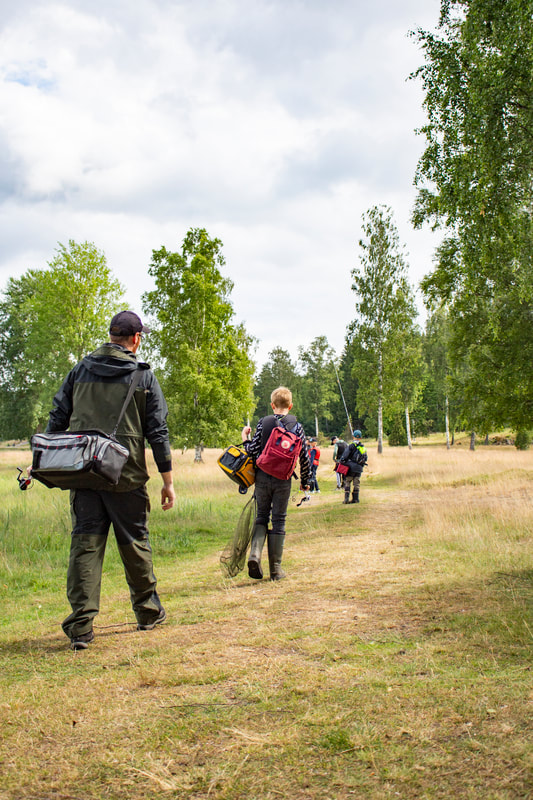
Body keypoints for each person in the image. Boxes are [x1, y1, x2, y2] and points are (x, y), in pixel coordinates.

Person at [45, 310, 175, 650]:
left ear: (112, 335)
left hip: (84, 473)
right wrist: (167, 480)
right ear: (136, 339)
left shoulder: (80, 369)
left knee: (85, 546)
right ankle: (147, 613)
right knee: (134, 542)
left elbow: (57, 417)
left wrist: (46, 461)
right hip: (127, 474)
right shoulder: (143, 376)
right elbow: (157, 433)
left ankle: (81, 627)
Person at [241, 386, 310, 580]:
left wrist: (244, 438)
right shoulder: (297, 427)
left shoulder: (264, 423)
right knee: (279, 520)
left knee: (261, 516)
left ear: (272, 405)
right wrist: (306, 480)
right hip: (283, 479)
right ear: (291, 405)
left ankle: (254, 554)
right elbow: (304, 456)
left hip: (262, 477)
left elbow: (252, 451)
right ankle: (276, 571)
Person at [339, 430, 367, 504]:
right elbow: (365, 458)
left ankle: (346, 499)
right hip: (359, 468)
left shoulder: (351, 446)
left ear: (353, 437)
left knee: (347, 481)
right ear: (361, 438)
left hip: (351, 468)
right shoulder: (363, 447)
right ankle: (355, 499)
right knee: (356, 483)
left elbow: (344, 456)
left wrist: (342, 462)